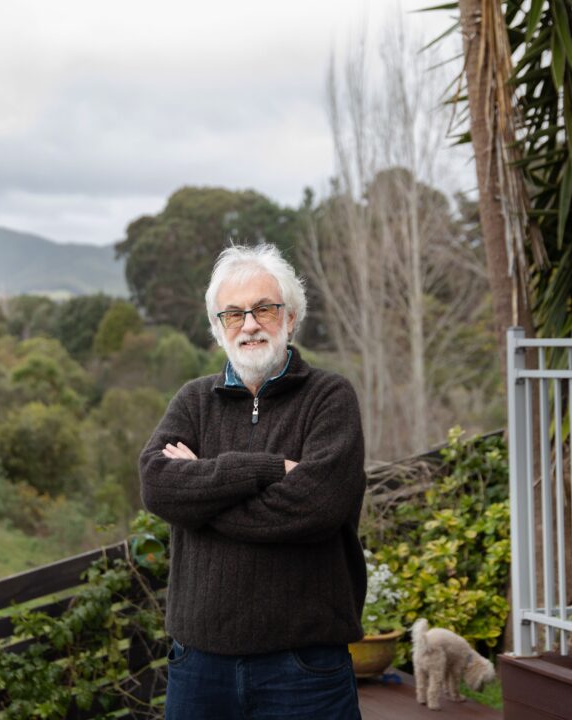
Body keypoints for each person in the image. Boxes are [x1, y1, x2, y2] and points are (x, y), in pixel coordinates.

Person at [140, 243, 366, 719]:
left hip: (304, 669)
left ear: (291, 318)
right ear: (217, 327)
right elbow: (157, 485)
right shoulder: (193, 402)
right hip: (199, 669)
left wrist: (201, 498)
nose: (249, 324)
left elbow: (317, 507)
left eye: (264, 308)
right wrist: (268, 470)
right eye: (233, 314)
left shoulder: (330, 398)